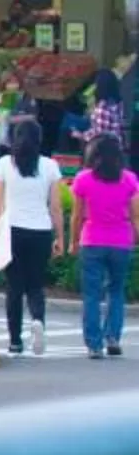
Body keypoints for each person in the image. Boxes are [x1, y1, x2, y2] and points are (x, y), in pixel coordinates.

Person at [0, 117, 64, 357]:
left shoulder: (4, 163)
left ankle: (15, 341)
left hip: (13, 231)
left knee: (14, 287)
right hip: (41, 231)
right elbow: (55, 207)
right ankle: (38, 320)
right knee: (36, 285)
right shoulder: (50, 166)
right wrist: (60, 238)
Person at [68, 131, 136, 359]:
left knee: (92, 295)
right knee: (116, 291)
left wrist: (73, 242)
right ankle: (113, 337)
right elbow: (136, 215)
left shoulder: (83, 179)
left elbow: (77, 216)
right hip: (121, 241)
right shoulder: (129, 179)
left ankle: (94, 344)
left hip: (92, 239)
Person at [92, 68, 128, 153]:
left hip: (105, 153)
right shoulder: (117, 103)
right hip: (116, 149)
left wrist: (81, 135)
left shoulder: (103, 108)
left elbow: (101, 136)